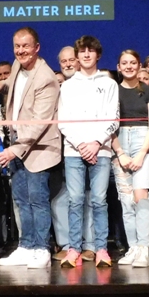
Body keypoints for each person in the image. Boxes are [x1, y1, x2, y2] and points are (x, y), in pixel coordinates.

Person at [0, 27, 62, 269]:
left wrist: (14, 150)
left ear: (37, 48)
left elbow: (39, 124)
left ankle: (41, 249)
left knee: (37, 200)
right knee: (21, 200)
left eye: (26, 46)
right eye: (17, 46)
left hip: (37, 149)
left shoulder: (46, 78)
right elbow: (15, 85)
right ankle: (26, 247)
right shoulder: (17, 66)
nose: (21, 51)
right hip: (17, 142)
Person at [57, 35, 119, 268]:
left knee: (99, 200)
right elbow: (63, 121)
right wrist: (81, 144)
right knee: (74, 200)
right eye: (81, 51)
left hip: (101, 150)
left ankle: (101, 248)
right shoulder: (68, 85)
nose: (85, 55)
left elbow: (114, 118)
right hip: (74, 151)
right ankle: (74, 249)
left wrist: (96, 143)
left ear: (97, 55)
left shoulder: (109, 84)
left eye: (90, 51)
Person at [109, 50, 149, 268]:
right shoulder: (113, 91)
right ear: (118, 67)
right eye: (124, 63)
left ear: (139, 66)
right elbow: (109, 125)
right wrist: (120, 152)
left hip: (142, 143)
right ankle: (133, 248)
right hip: (119, 143)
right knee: (126, 200)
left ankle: (143, 249)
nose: (129, 66)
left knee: (141, 197)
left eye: (133, 63)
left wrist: (142, 153)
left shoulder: (148, 91)